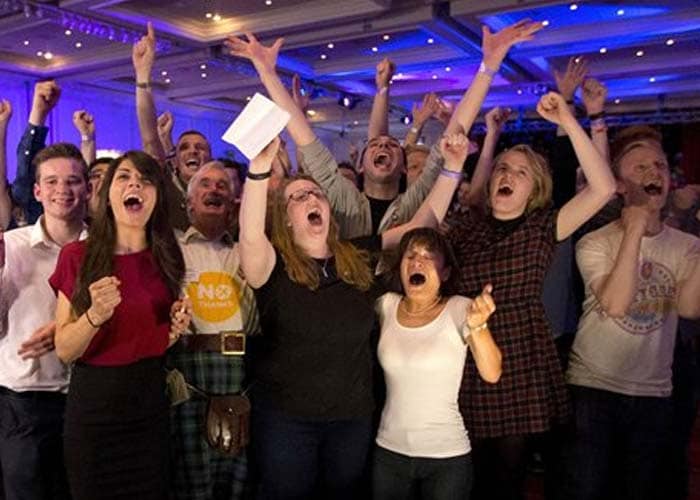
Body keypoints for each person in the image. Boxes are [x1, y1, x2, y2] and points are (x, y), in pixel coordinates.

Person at [238, 124, 469, 499]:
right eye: (298, 197)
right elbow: (249, 235)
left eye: (316, 193)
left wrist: (452, 169)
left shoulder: (357, 256)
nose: (312, 199)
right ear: (284, 218)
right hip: (286, 420)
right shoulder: (272, 265)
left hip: (351, 418)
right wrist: (259, 171)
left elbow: (420, 227)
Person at [447, 85, 616, 500]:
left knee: (506, 476)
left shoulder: (544, 226)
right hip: (463, 352)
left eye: (520, 172)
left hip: (520, 356)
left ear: (535, 187)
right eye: (502, 168)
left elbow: (603, 188)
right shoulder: (468, 227)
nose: (507, 175)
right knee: (462, 473)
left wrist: (569, 121)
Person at [565, 128, 700, 500]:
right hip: (594, 387)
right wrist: (635, 229)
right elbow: (616, 304)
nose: (653, 172)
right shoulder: (596, 242)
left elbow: (690, 308)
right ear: (620, 185)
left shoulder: (688, 246)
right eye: (639, 166)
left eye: (659, 165)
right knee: (588, 489)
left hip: (655, 390)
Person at [50, 151, 192, 500]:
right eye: (124, 177)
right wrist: (95, 315)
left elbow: (152, 338)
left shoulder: (167, 255)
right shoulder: (76, 256)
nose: (135, 185)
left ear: (156, 196)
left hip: (149, 405)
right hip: (95, 410)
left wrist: (173, 331)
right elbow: (65, 349)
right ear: (107, 193)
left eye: (145, 180)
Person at [373, 227, 502, 500]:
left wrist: (478, 327)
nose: (417, 262)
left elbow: (492, 373)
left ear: (445, 273)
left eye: (428, 256)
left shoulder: (459, 308)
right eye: (411, 255)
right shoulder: (385, 305)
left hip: (446, 457)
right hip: (389, 452)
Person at [0, 143, 89, 500]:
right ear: (37, 191)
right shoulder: (11, 245)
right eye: (51, 182)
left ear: (88, 187)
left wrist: (67, 331)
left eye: (73, 181)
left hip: (87, 398)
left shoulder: (105, 247)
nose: (62, 190)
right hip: (23, 404)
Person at [169, 161, 259, 499]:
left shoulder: (245, 252)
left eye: (222, 185)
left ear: (234, 202)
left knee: (234, 474)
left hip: (239, 370)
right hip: (189, 370)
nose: (214, 189)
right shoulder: (171, 248)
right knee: (192, 479)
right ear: (190, 202)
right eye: (204, 184)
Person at [133, 23, 213, 230]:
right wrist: (143, 76)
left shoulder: (220, 190)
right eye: (184, 147)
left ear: (210, 158)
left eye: (200, 147)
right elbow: (150, 140)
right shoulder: (164, 185)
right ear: (175, 160)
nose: (193, 150)